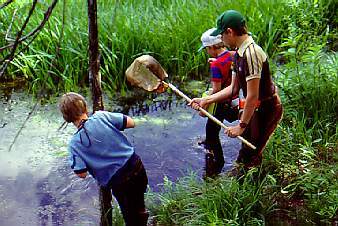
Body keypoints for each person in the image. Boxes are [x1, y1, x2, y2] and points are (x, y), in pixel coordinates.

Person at [190, 10, 283, 171]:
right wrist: (206, 100)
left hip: (266, 108)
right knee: (246, 152)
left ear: (230, 32)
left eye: (222, 36)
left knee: (251, 153)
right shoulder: (237, 54)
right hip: (254, 108)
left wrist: (241, 125)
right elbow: (233, 89)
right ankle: (245, 181)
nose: (222, 40)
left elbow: (253, 96)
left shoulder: (251, 53)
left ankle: (253, 188)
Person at [58, 92, 148, 226]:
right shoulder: (101, 116)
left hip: (120, 181)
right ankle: (143, 217)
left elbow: (81, 174)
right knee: (138, 203)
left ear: (67, 118)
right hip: (136, 165)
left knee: (130, 216)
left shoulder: (74, 144)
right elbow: (131, 123)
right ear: (85, 108)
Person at [198, 28, 238, 177]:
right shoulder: (232, 55)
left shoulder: (215, 66)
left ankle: (218, 163)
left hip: (220, 101)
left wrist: (204, 100)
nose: (207, 52)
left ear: (211, 47)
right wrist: (217, 61)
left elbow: (216, 90)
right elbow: (226, 63)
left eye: (207, 49)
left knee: (212, 132)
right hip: (231, 98)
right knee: (220, 124)